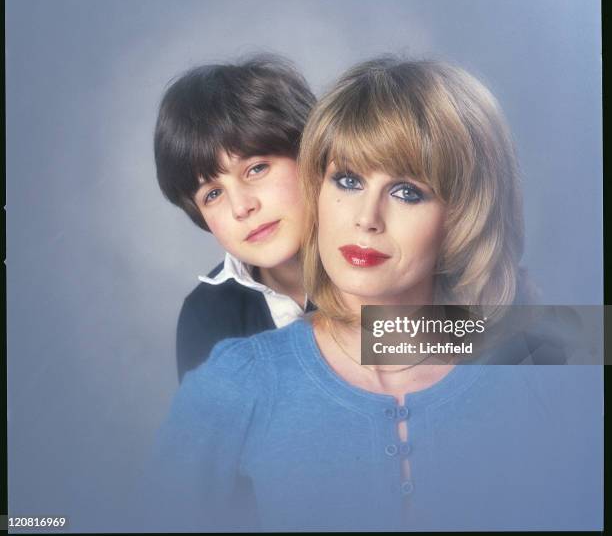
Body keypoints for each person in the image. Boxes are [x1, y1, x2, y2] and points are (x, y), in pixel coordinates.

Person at [149, 58, 602, 531]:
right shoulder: (217, 335)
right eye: (348, 181)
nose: (243, 206)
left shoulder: (507, 338)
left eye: (258, 168)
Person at [154, 55, 316, 381]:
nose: (241, 207)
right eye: (212, 194)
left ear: (309, 154)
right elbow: (211, 430)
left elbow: (432, 395)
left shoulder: (387, 257)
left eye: (256, 169)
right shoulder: (207, 316)